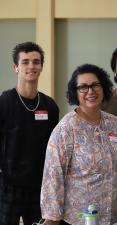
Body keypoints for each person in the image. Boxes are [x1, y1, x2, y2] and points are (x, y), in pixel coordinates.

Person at [40, 64, 117, 225]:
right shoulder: (66, 129)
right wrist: (52, 218)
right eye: (83, 87)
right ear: (75, 92)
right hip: (77, 219)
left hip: (113, 217)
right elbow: (53, 176)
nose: (90, 91)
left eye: (95, 85)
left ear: (104, 87)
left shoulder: (115, 124)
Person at [0, 42, 59, 225]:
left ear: (41, 66)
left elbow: (54, 150)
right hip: (7, 187)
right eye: (25, 62)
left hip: (39, 187)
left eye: (36, 61)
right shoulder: (4, 102)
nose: (31, 66)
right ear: (16, 67)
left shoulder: (50, 106)